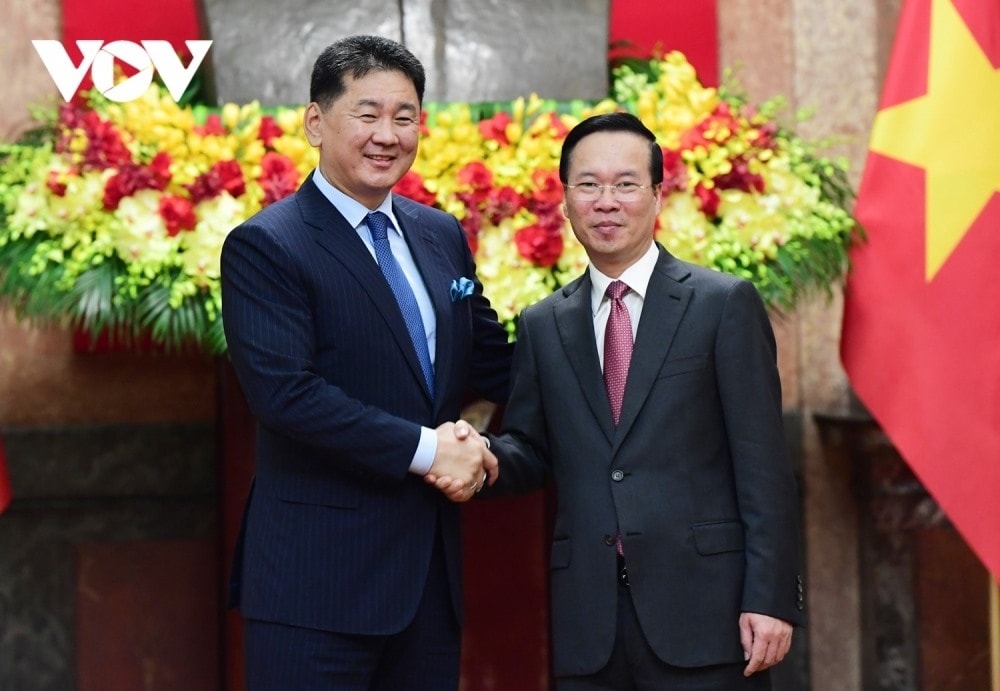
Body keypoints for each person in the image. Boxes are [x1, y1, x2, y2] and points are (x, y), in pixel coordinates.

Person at [432, 112, 805, 689]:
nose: (607, 201)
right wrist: (481, 456)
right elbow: (532, 450)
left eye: (626, 184)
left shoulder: (721, 304)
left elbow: (763, 465)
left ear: (658, 195)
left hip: (709, 615)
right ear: (565, 201)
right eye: (589, 184)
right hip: (591, 623)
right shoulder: (542, 323)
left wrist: (771, 597)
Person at [220, 35, 513, 690]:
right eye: (368, 113)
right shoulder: (268, 246)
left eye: (404, 116)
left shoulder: (439, 234)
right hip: (316, 591)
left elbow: (492, 360)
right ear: (316, 122)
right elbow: (286, 394)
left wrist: (621, 352)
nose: (388, 134)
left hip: (428, 589)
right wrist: (430, 450)